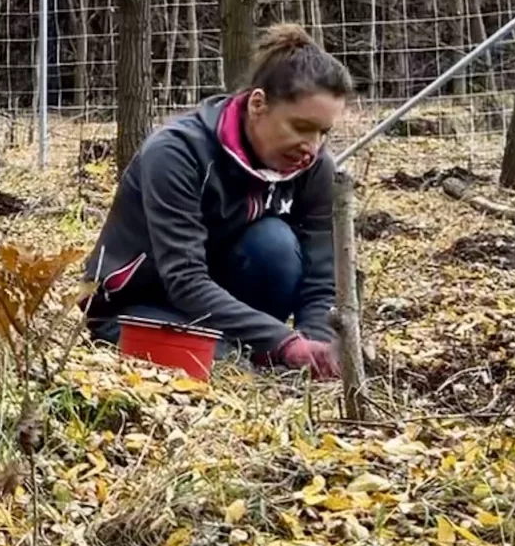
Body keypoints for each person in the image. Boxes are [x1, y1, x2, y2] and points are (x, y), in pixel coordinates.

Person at [85, 24, 352, 379]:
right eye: (301, 127)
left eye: (323, 133)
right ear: (258, 104)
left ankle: (254, 348)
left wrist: (316, 348)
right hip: (141, 306)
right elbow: (184, 278)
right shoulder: (176, 154)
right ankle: (247, 351)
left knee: (275, 244)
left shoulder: (314, 167)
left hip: (223, 304)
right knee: (226, 369)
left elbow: (321, 279)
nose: (312, 146)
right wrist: (285, 343)